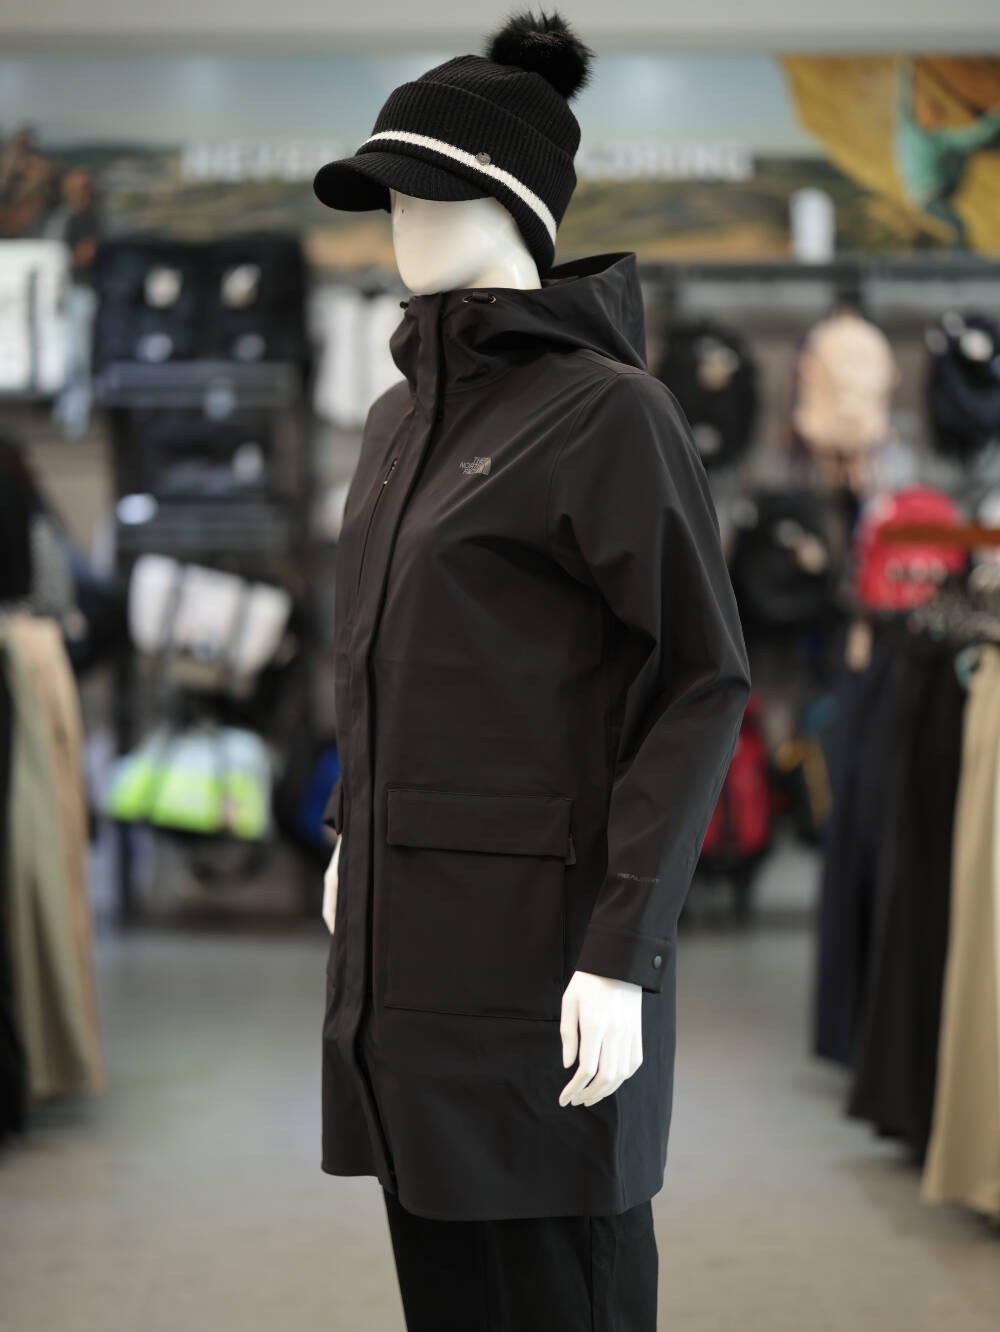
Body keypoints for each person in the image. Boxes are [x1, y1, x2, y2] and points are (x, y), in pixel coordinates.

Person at [313, 10, 751, 1329]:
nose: (400, 222)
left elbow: (698, 682)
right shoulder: (396, 421)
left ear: (512, 202)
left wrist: (624, 952)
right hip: (406, 970)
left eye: (425, 190)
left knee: (562, 1293)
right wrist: (349, 829)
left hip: (547, 973)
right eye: (390, 195)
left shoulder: (610, 412)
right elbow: (387, 662)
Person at [893, 59, 1000, 248]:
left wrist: (994, 117)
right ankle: (958, 262)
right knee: (958, 226)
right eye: (932, 114)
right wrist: (906, 68)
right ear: (923, 114)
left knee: (966, 149)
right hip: (927, 198)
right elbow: (903, 99)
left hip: (945, 188)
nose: (935, 120)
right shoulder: (908, 130)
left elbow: (973, 137)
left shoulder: (940, 139)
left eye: (938, 117)